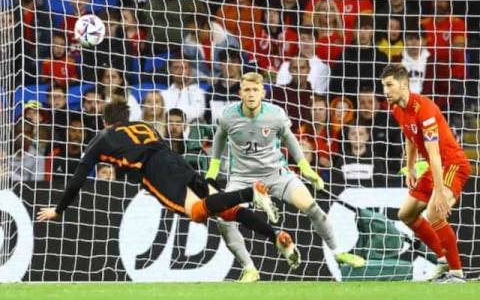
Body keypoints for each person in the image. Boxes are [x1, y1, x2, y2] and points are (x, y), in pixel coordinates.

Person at [37, 98, 300, 269]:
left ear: (106, 121)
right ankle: (276, 235)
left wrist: (58, 209)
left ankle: (249, 192)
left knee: (197, 213)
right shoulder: (144, 126)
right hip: (175, 159)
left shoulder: (103, 136)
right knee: (222, 209)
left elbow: (77, 179)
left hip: (155, 170)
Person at [206, 72, 365, 282]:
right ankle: (249, 268)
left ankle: (337, 253)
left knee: (312, 207)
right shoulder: (228, 115)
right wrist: (212, 172)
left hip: (276, 175)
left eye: (255, 90)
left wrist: (305, 168)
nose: (251, 94)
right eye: (247, 90)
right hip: (242, 178)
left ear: (263, 92)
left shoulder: (275, 114)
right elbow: (219, 139)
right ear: (240, 93)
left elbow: (290, 139)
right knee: (223, 219)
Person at [380, 64, 471, 283]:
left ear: (403, 84)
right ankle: (442, 260)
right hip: (435, 166)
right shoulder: (397, 109)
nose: (385, 90)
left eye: (389, 85)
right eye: (383, 85)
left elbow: (435, 155)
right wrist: (410, 166)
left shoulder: (426, 111)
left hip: (453, 164)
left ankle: (457, 274)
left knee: (434, 212)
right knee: (406, 214)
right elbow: (410, 137)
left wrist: (439, 192)